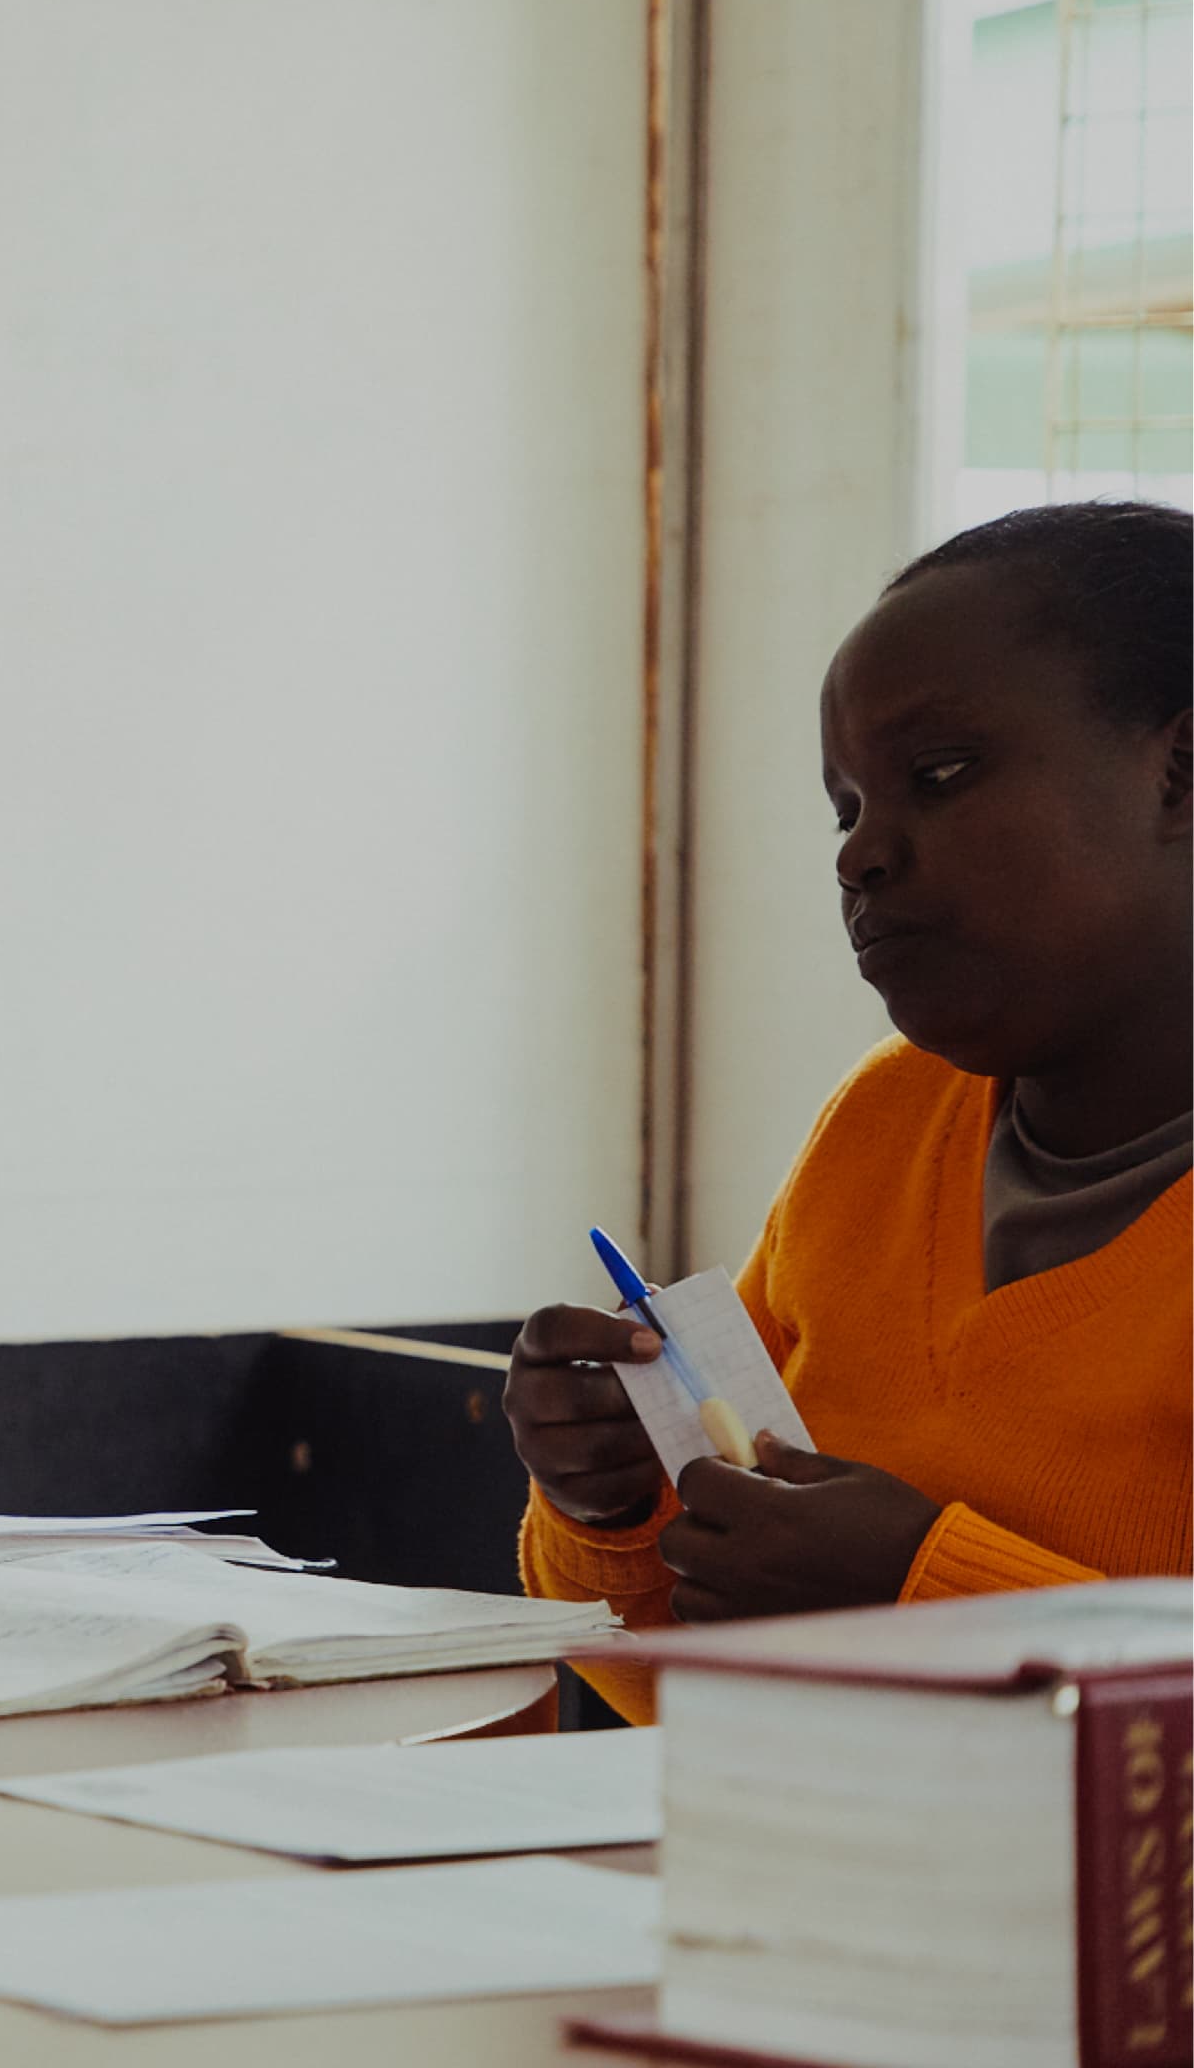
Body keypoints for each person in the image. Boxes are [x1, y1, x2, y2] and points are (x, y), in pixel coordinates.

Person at [510, 500, 1190, 1722]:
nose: (861, 856)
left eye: (939, 775)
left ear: (1178, 773)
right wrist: (614, 1509)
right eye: (847, 807)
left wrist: (919, 1599)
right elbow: (682, 1692)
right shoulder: (884, 1125)